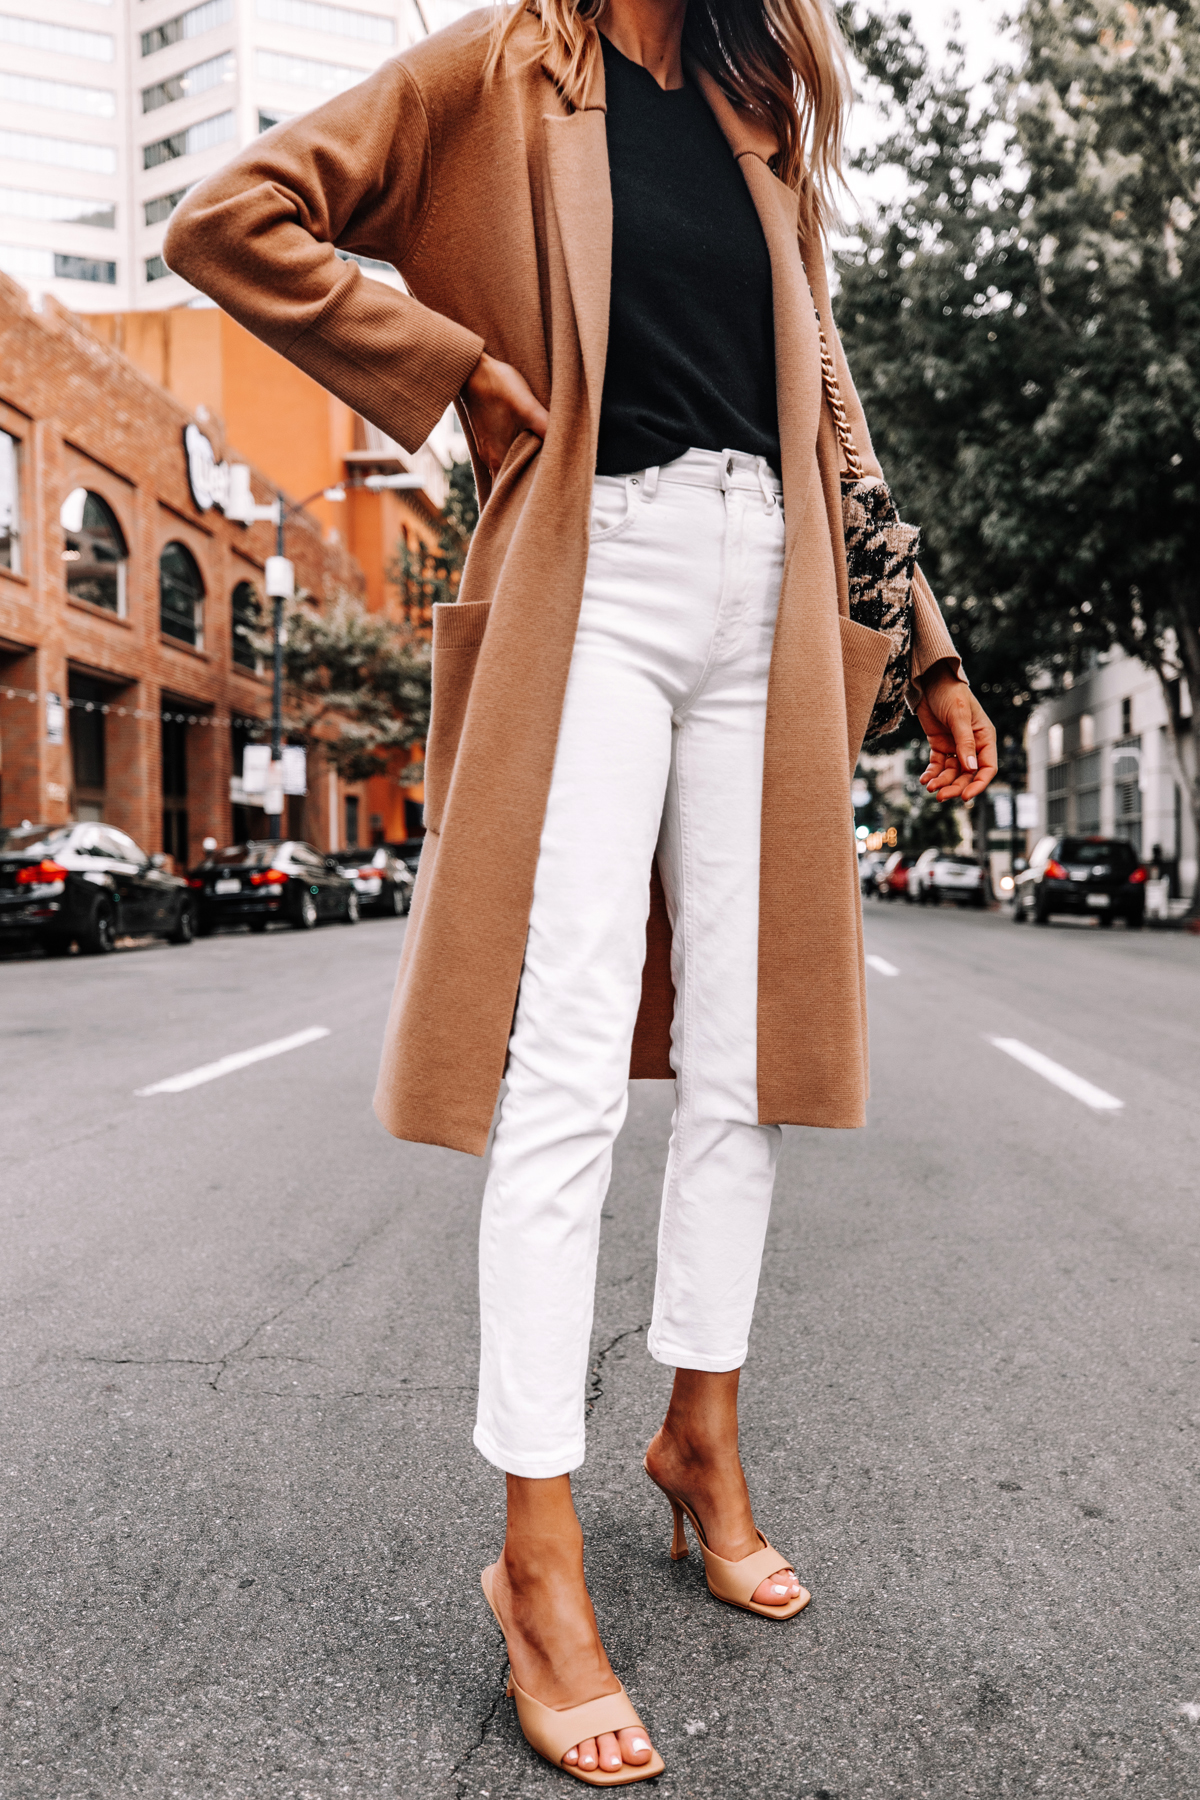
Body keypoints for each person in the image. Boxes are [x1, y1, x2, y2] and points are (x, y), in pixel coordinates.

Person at [165, 0, 997, 1783]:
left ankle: (702, 1438)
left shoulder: (755, 98)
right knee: (560, 1071)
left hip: (766, 590)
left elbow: (828, 387)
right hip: (595, 576)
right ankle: (535, 1555)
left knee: (744, 1059)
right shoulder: (496, 73)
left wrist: (925, 645)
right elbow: (232, 216)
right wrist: (445, 364)